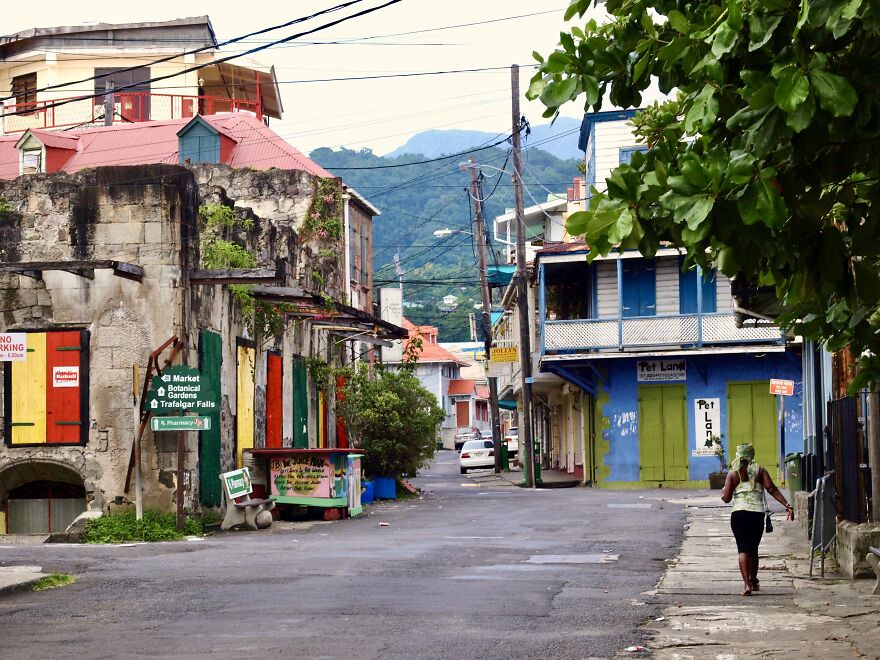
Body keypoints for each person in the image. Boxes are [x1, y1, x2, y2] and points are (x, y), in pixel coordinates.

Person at [721, 443, 794, 595]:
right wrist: (788, 505)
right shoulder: (760, 471)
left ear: (738, 455)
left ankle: (747, 584)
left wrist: (724, 492)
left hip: (739, 514)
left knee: (742, 549)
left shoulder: (733, 474)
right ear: (752, 455)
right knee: (753, 549)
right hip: (756, 514)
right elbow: (772, 489)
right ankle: (754, 580)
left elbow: (726, 499)